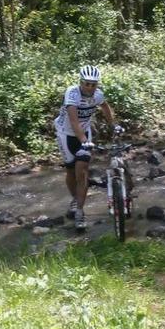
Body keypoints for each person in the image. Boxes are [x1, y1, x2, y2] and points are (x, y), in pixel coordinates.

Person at [54, 65, 123, 229]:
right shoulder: (72, 93)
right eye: (87, 84)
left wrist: (112, 125)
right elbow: (73, 120)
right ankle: (75, 199)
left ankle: (79, 211)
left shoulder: (98, 95)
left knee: (83, 172)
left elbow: (105, 107)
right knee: (71, 171)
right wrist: (83, 139)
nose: (90, 87)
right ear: (81, 82)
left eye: (93, 84)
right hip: (66, 134)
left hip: (84, 133)